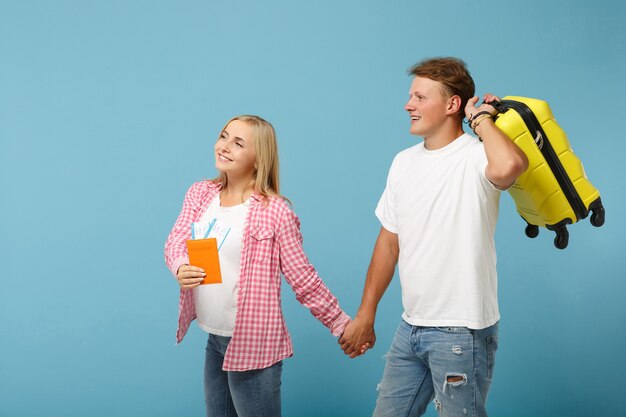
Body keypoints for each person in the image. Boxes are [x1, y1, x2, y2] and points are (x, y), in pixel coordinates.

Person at [338, 57, 528, 417]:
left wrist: (482, 119)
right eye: (411, 96)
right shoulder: (403, 162)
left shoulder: (476, 157)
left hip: (462, 331)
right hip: (411, 325)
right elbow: (388, 241)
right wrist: (367, 312)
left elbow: (509, 167)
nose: (409, 105)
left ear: (452, 104)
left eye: (420, 97)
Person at [164, 115, 351, 417]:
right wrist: (180, 266)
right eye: (224, 136)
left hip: (255, 345)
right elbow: (175, 241)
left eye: (238, 143)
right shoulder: (200, 194)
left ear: (257, 159)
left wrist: (341, 324)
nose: (224, 147)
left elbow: (303, 278)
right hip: (215, 340)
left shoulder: (274, 211)